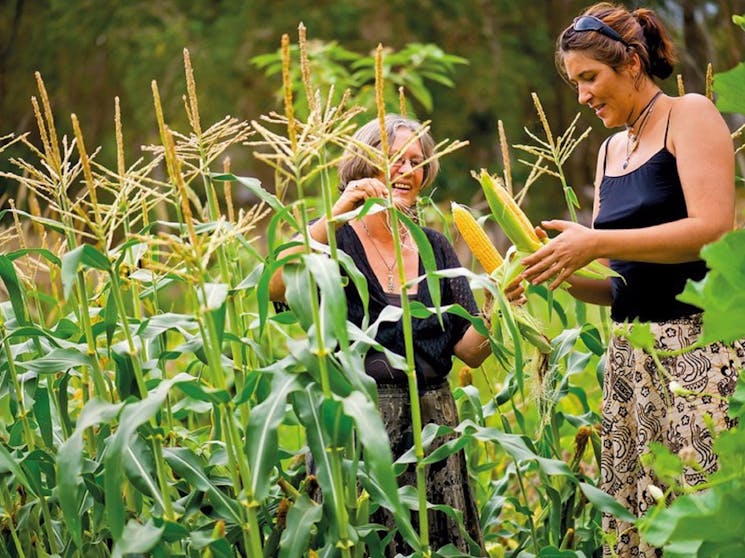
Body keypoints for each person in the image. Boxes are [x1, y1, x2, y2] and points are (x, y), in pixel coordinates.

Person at [520, 3, 744, 557]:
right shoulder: (609, 150)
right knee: (643, 521)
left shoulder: (689, 116)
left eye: (590, 78)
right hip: (631, 360)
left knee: (702, 515)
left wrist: (593, 241)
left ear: (633, 64)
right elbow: (625, 286)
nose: (582, 97)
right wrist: (561, 272)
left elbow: (712, 230)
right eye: (574, 83)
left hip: (698, 354)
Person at [269, 114, 491, 555]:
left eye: (417, 161)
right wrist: (337, 214)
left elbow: (472, 350)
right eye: (394, 159)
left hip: (434, 433)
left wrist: (500, 306)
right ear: (363, 166)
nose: (408, 170)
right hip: (359, 429)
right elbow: (276, 282)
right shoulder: (336, 241)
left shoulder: (436, 246)